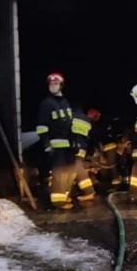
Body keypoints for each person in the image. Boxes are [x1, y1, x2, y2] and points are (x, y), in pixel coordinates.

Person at [35, 71, 75, 210]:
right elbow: (41, 127)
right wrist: (46, 144)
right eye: (51, 83)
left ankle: (63, 197)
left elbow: (70, 124)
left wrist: (74, 141)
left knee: (68, 172)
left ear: (61, 85)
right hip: (55, 144)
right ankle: (58, 202)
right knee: (58, 174)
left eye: (56, 83)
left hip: (67, 145)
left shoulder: (65, 102)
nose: (53, 85)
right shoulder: (46, 104)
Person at [70, 106, 96, 203]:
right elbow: (90, 138)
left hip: (73, 148)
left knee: (78, 170)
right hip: (82, 149)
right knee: (74, 170)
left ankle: (89, 192)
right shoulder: (87, 121)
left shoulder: (70, 117)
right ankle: (73, 191)